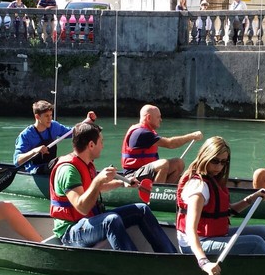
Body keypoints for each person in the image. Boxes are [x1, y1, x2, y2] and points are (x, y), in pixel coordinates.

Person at [50, 122, 177, 253]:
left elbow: (95, 189)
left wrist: (122, 183)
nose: (103, 146)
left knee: (142, 209)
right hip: (71, 232)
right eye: (101, 142)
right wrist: (98, 181)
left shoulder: (86, 164)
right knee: (111, 220)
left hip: (90, 222)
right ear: (91, 145)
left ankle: (169, 255)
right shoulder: (68, 170)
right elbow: (82, 207)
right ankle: (135, 263)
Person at [177, 136, 265, 275]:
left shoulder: (212, 180)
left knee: (263, 231)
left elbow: (226, 212)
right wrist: (204, 262)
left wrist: (251, 199)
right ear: (205, 157)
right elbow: (190, 230)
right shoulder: (198, 188)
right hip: (194, 244)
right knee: (255, 242)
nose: (219, 167)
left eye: (223, 162)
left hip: (211, 236)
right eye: (215, 161)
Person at [121, 104, 203, 184]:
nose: (161, 119)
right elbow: (170, 144)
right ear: (149, 117)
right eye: (158, 117)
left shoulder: (148, 132)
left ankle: (167, 191)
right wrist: (192, 136)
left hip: (145, 172)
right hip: (133, 175)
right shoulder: (141, 133)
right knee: (163, 164)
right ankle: (156, 193)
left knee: (179, 163)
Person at [13, 100, 95, 175]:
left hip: (51, 165)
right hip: (35, 169)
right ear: (37, 117)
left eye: (51, 115)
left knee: (75, 159)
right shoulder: (25, 135)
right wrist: (35, 151)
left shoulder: (54, 126)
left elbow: (72, 132)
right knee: (60, 162)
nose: (50, 119)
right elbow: (17, 161)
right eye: (46, 116)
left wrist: (87, 122)